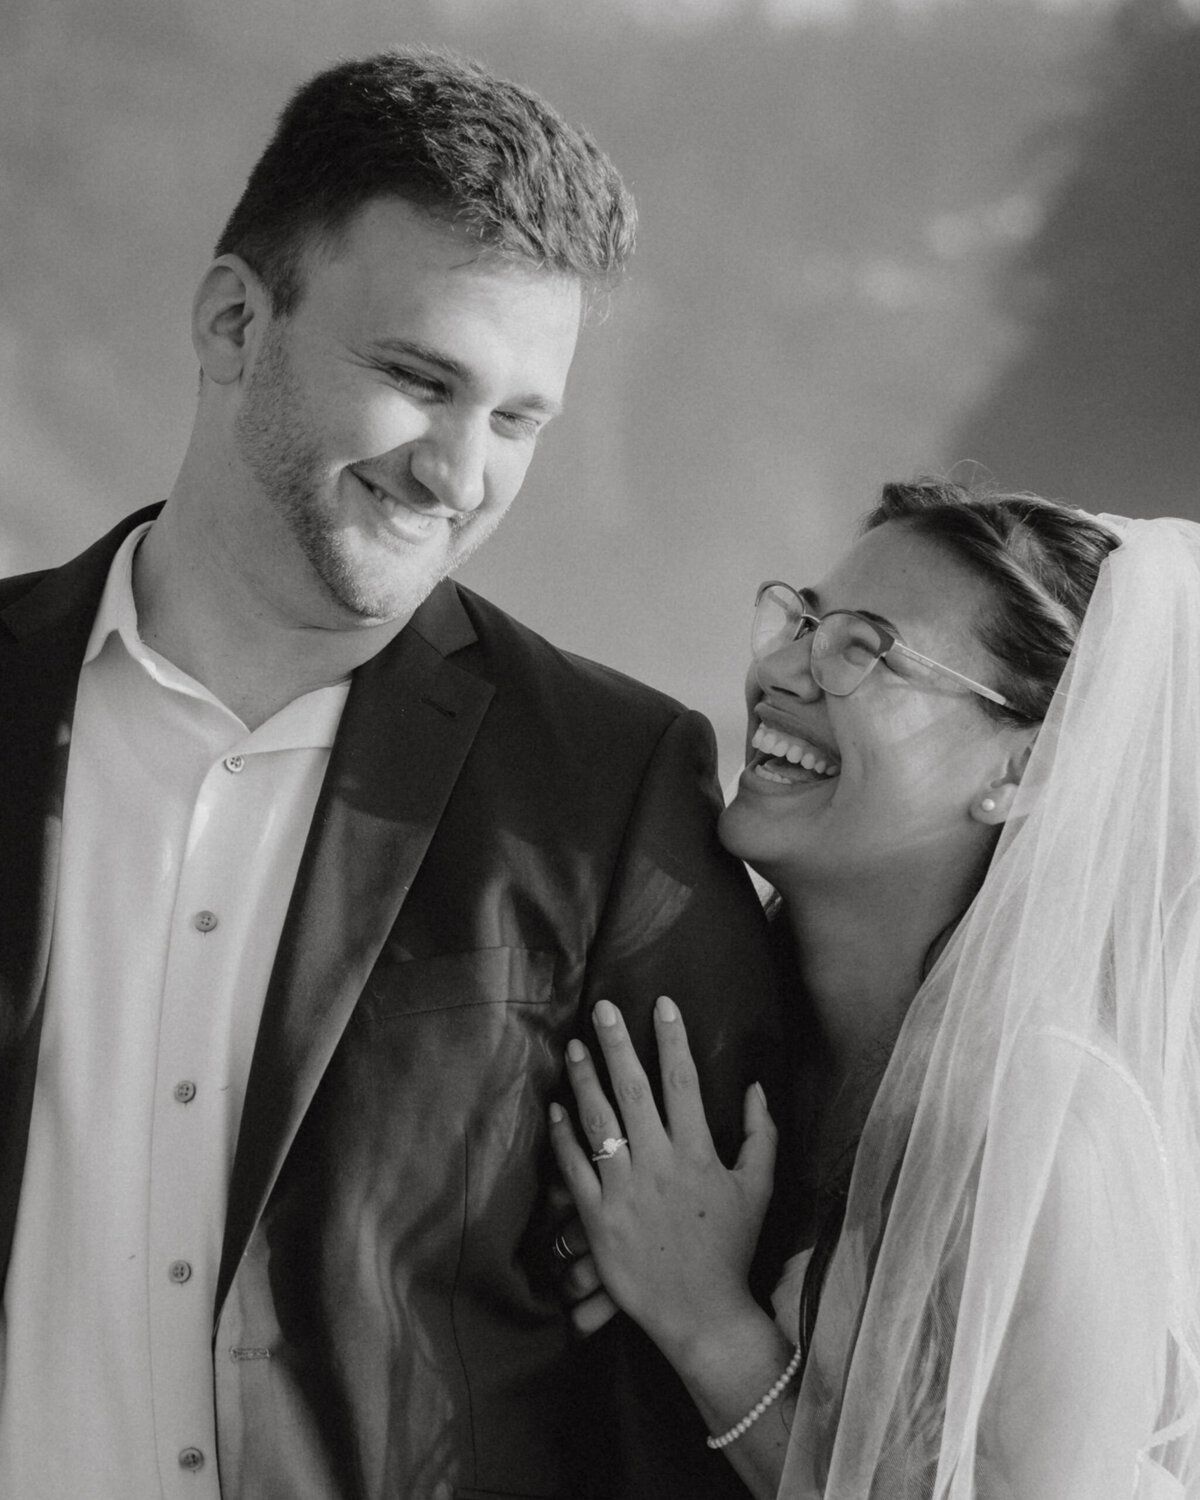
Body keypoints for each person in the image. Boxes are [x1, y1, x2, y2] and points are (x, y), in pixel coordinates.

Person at [0, 48, 786, 1500]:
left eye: (517, 419)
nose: (460, 472)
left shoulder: (615, 789)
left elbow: (696, 1338)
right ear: (235, 321)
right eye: (421, 380)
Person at [552, 479, 1200, 1497]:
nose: (780, 671)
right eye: (802, 620)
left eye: (865, 649)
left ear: (1024, 770)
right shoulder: (748, 1045)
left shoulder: (1039, 1130)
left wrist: (702, 1319)